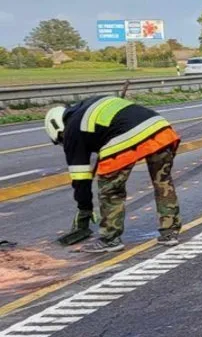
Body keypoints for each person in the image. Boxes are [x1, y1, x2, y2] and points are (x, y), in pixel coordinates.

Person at [46, 96, 182, 253]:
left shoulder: (71, 130)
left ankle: (110, 239)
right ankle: (170, 232)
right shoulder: (87, 106)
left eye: (61, 140)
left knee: (111, 191)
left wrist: (85, 209)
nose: (64, 142)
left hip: (126, 136)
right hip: (161, 129)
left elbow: (81, 179)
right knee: (163, 183)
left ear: (58, 129)